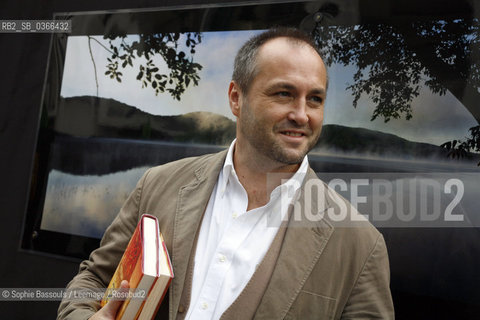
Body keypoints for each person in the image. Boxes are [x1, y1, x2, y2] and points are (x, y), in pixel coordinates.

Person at [57, 27, 394, 320]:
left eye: (315, 99)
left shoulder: (360, 245)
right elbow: (92, 281)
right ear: (237, 98)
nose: (302, 114)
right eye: (284, 93)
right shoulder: (157, 185)